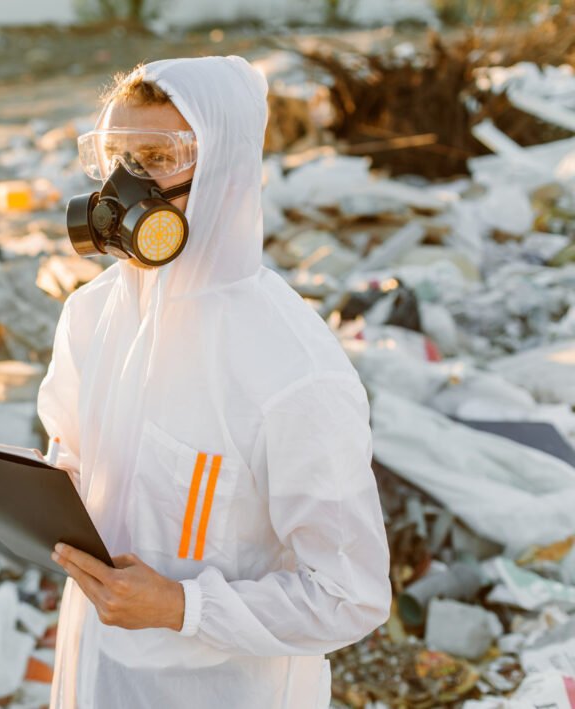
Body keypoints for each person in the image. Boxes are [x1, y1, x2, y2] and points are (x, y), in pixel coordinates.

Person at [37, 55, 392, 708]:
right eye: (115, 155)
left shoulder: (292, 371)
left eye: (157, 157)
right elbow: (70, 448)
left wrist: (181, 604)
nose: (125, 183)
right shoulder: (92, 314)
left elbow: (352, 594)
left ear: (226, 172)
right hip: (93, 674)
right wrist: (49, 487)